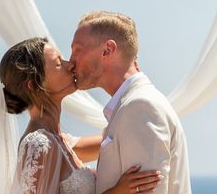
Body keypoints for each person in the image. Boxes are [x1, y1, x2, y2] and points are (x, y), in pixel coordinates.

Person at [0, 37, 163, 194]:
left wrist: (128, 75)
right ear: (34, 85)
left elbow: (116, 137)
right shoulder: (38, 144)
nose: (70, 65)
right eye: (59, 63)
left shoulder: (62, 142)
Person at [69, 12, 192, 194]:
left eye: (77, 50)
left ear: (107, 50)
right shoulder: (131, 105)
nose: (70, 61)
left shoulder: (140, 106)